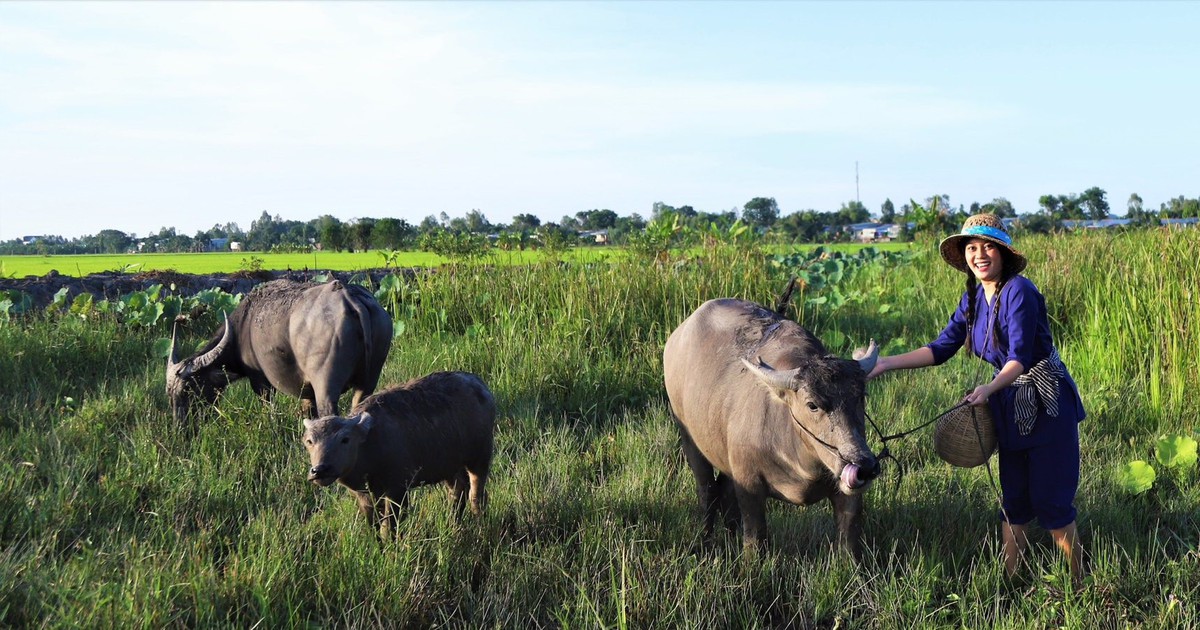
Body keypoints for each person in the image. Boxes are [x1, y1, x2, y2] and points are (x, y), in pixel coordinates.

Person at [866, 213, 1086, 585]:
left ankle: (1080, 582)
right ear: (964, 256)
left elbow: (1019, 356)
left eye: (987, 247)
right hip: (1008, 403)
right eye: (971, 247)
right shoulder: (973, 298)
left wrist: (988, 389)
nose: (979, 254)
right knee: (1013, 500)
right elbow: (941, 348)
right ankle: (1010, 580)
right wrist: (884, 364)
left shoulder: (1019, 291)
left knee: (1052, 502)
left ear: (1002, 253)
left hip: (1045, 405)